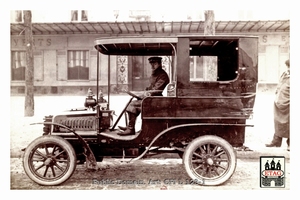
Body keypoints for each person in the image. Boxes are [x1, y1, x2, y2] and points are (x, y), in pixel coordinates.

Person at [118, 56, 170, 136]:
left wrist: (144, 94)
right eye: (151, 64)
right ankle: (130, 126)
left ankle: (131, 129)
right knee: (132, 103)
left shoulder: (163, 75)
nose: (152, 66)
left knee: (132, 104)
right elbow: (150, 87)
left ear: (159, 64)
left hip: (156, 101)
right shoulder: (155, 74)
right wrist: (143, 92)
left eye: (154, 64)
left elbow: (155, 90)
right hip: (152, 99)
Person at [265, 59, 290, 151]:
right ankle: (276, 141)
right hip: (279, 102)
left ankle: (290, 143)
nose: (288, 68)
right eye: (287, 66)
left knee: (290, 123)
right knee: (278, 122)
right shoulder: (285, 74)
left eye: (290, 66)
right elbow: (280, 85)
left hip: (289, 104)